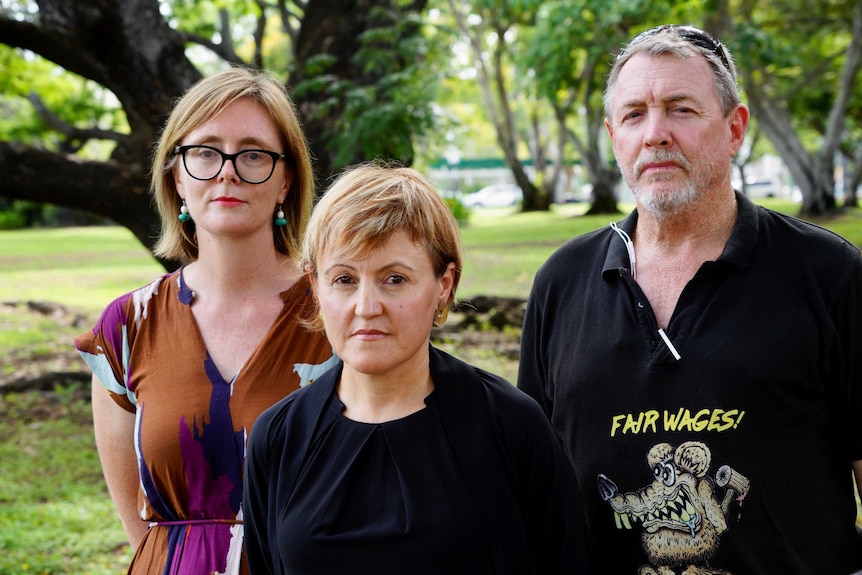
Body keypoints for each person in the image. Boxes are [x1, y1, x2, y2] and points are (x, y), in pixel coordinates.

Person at [517, 24, 862, 574]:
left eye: (681, 109)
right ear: (613, 137)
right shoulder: (562, 282)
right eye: (634, 114)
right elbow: (531, 484)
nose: (655, 133)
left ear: (735, 128)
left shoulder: (830, 275)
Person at [243, 163, 590, 574]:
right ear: (316, 287)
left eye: (394, 279)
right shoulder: (279, 437)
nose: (367, 307)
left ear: (443, 285)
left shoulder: (511, 426)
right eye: (344, 279)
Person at [75, 68, 337, 575]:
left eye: (254, 153)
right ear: (177, 176)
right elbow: (138, 522)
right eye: (205, 152)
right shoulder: (127, 325)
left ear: (286, 180)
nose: (227, 172)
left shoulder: (337, 314)